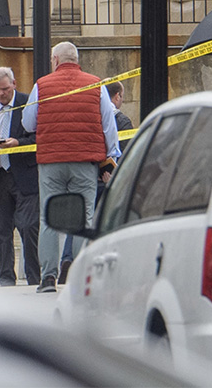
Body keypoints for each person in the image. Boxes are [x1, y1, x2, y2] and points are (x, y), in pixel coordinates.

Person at [22, 42, 121, 293]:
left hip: (51, 161)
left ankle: (47, 278)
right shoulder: (96, 85)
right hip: (85, 162)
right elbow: (109, 125)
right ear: (77, 59)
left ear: (55, 59)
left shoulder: (41, 85)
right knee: (84, 216)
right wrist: (111, 157)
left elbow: (28, 123)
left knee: (48, 219)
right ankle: (79, 276)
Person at [58, 80, 133, 285]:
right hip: (108, 180)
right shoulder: (121, 120)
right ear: (116, 96)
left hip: (85, 173)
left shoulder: (88, 116)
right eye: (122, 97)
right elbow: (123, 153)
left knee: (79, 221)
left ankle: (68, 259)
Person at [0, 67, 41, 286]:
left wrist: (17, 143)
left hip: (24, 175)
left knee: (28, 227)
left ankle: (34, 276)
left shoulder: (27, 104)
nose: (1, 94)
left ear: (14, 84)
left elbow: (37, 138)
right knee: (1, 231)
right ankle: (5, 278)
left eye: (5, 89)